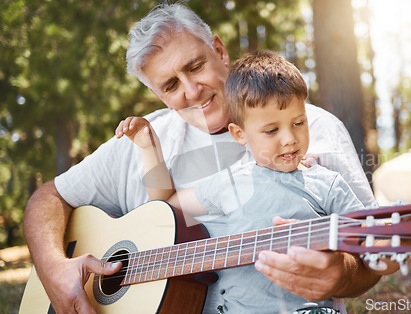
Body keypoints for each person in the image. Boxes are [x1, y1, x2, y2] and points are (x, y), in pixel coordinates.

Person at [23, 2, 380, 313]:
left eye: (195, 67)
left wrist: (343, 273)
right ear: (156, 94)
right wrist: (53, 268)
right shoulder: (136, 142)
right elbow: (49, 197)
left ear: (219, 51)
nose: (191, 91)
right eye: (171, 85)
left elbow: (372, 255)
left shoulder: (311, 128)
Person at [115, 49, 371, 313]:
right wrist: (149, 147)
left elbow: (373, 244)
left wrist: (380, 258)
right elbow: (166, 208)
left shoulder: (326, 184)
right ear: (239, 134)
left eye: (299, 123)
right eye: (271, 130)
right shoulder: (230, 183)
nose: (289, 139)